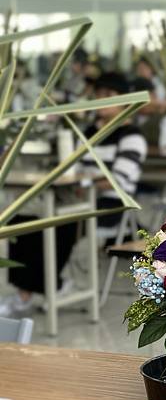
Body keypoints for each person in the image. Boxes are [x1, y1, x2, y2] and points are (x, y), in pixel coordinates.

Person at [0, 72, 148, 317]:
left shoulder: (132, 136)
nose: (103, 100)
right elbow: (73, 168)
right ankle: (37, 291)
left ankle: (50, 288)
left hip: (110, 207)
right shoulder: (88, 131)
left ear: (125, 101)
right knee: (21, 222)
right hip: (79, 200)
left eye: (110, 96)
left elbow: (119, 181)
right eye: (99, 95)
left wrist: (85, 183)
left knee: (58, 226)